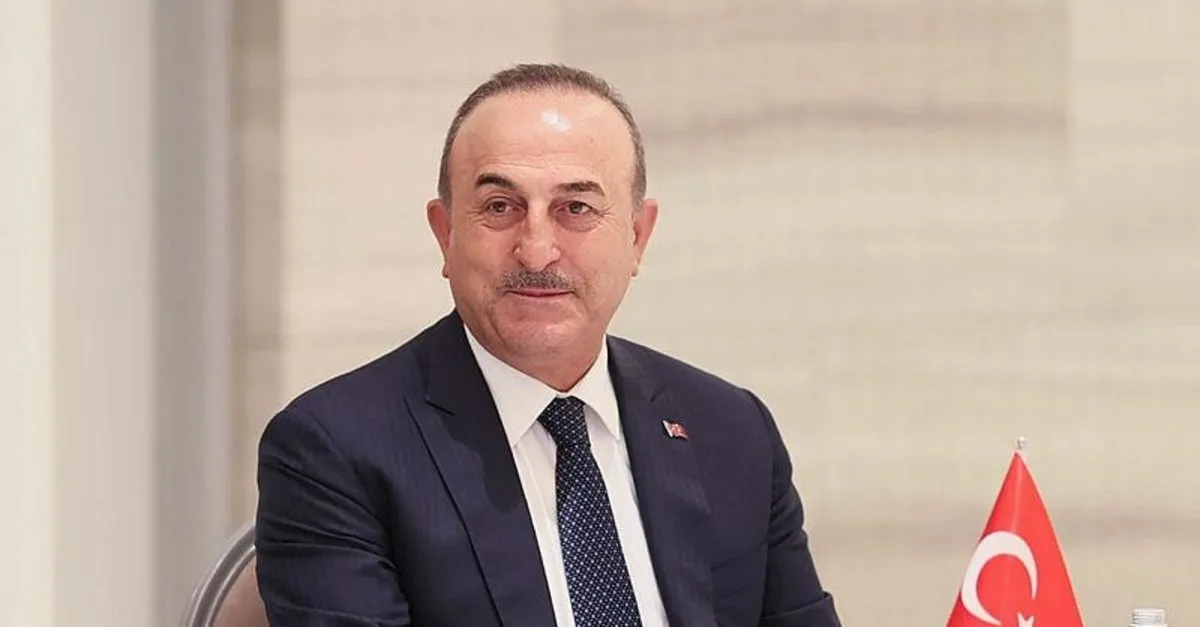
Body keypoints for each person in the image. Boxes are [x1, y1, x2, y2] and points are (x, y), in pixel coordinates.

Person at [255, 63, 841, 627]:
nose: (537, 251)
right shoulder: (336, 450)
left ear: (637, 237)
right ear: (446, 233)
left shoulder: (731, 429)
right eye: (500, 207)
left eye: (575, 208)